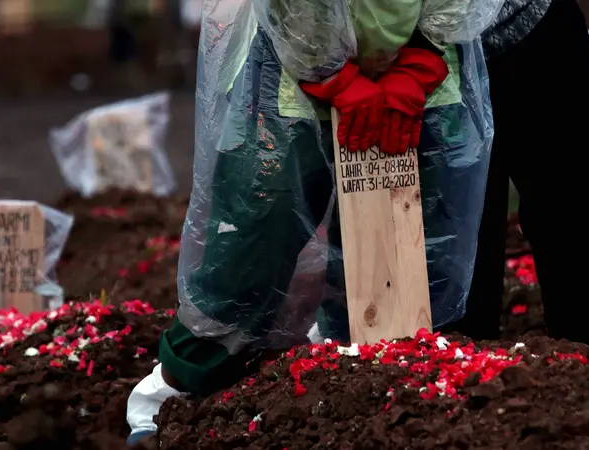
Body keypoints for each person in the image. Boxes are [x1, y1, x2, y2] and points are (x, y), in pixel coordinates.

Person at [126, 1, 503, 445]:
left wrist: (419, 57)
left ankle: (373, 381)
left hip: (422, 61)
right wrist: (335, 76)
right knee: (257, 232)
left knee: (416, 241)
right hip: (295, 57)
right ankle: (175, 388)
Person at [442, 0, 589, 347]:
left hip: (534, 30)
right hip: (440, 60)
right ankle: (459, 373)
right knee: (463, 247)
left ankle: (587, 373)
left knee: (566, 224)